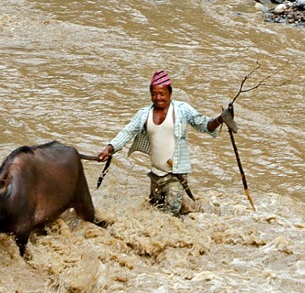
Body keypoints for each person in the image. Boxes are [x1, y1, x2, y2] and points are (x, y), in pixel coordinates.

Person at [97, 70, 228, 215]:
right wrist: (108, 149)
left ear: (170, 94)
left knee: (170, 215)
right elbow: (127, 132)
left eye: (162, 94)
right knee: (155, 210)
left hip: (175, 175)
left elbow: (204, 125)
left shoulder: (182, 110)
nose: (158, 98)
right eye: (154, 94)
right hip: (155, 175)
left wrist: (220, 119)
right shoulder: (144, 114)